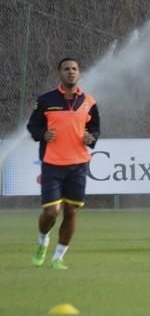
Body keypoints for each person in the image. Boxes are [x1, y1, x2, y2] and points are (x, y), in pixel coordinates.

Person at [27, 57, 100, 270]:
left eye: (74, 68)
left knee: (71, 211)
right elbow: (32, 126)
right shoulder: (46, 100)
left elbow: (95, 129)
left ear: (79, 73)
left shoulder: (89, 102)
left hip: (78, 165)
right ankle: (42, 240)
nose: (71, 72)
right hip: (52, 163)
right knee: (51, 212)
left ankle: (58, 258)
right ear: (60, 73)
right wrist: (42, 133)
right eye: (66, 69)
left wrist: (91, 138)